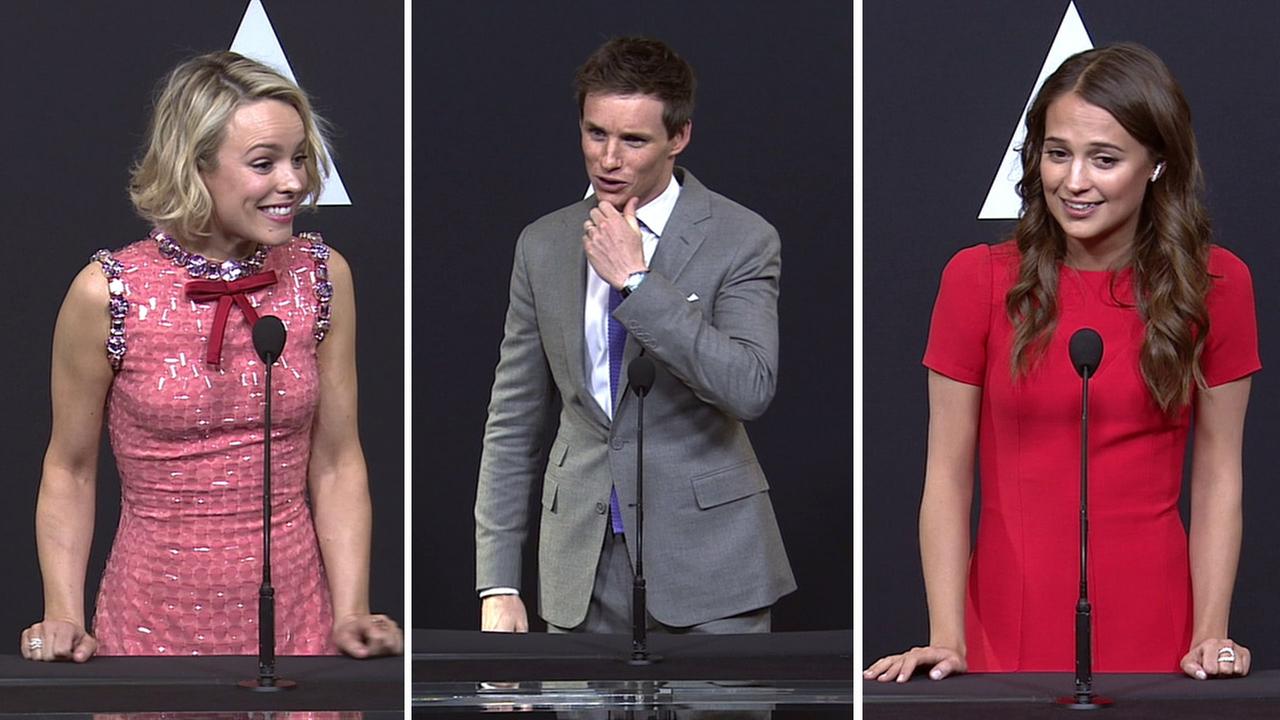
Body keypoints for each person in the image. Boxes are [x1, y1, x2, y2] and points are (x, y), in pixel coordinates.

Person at [865, 43, 1257, 682]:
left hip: (1158, 628)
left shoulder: (1218, 284)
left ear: (1157, 163)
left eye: (1104, 159)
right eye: (1057, 152)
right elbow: (946, 476)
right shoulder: (977, 280)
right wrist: (947, 635)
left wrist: (1211, 631)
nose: (1073, 182)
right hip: (1004, 621)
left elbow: (1218, 477)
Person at [21, 51, 402, 661]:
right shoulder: (108, 292)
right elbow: (71, 470)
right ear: (193, 168)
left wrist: (351, 607)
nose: (294, 182)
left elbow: (336, 460)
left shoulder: (320, 275)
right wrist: (62, 614)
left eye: (299, 157)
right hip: (148, 627)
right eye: (264, 163)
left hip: (299, 625)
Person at [475, 36, 795, 634]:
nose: (608, 159)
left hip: (714, 566)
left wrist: (637, 282)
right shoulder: (542, 244)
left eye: (634, 140)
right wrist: (498, 581)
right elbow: (513, 419)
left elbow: (748, 387)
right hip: (579, 567)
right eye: (596, 133)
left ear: (679, 138)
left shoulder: (743, 238)